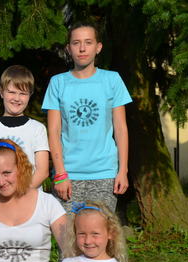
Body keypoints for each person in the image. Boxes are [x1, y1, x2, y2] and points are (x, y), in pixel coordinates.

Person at [42, 21, 132, 212]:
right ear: (69, 48)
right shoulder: (58, 83)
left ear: (98, 47)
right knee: (67, 231)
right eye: (76, 43)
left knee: (99, 229)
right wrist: (60, 174)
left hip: (105, 175)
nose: (82, 48)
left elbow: (121, 129)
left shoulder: (112, 80)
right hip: (68, 176)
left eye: (88, 42)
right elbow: (54, 132)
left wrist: (123, 171)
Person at [0, 65, 50, 188]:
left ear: (30, 95)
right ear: (1, 92)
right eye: (11, 92)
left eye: (23, 93)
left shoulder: (37, 129)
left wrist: (21, 194)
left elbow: (42, 171)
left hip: (29, 195)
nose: (17, 98)